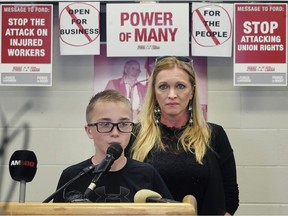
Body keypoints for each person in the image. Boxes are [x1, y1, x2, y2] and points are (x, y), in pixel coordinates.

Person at [126, 56, 239, 215]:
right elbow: (123, 192)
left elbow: (230, 197)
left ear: (192, 91)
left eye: (180, 86)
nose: (172, 94)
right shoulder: (134, 135)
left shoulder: (214, 135)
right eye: (163, 86)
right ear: (154, 92)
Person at [53, 89, 172, 203]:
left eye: (124, 124)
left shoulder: (147, 174)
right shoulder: (73, 176)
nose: (115, 133)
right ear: (89, 131)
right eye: (105, 124)